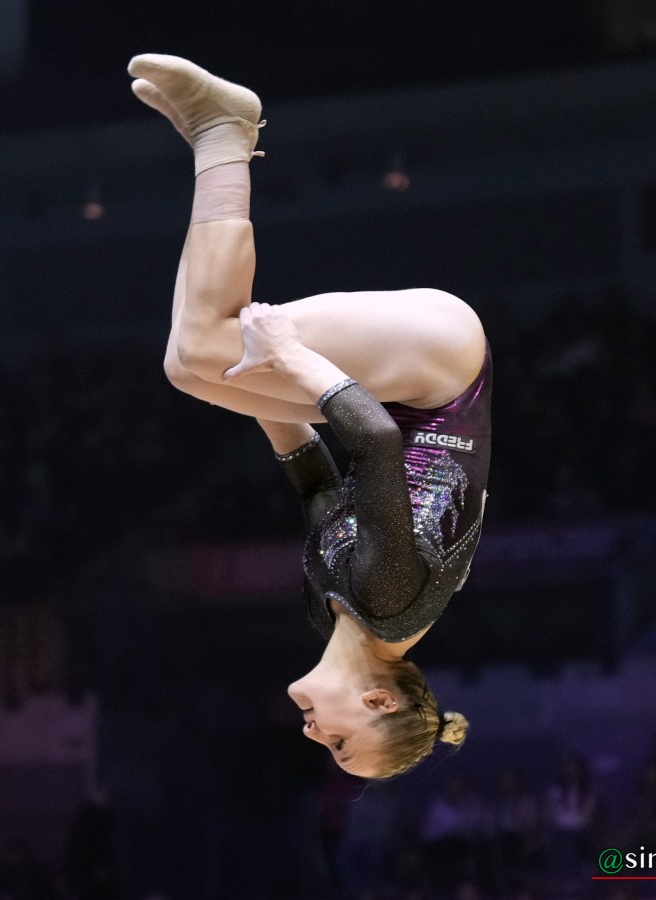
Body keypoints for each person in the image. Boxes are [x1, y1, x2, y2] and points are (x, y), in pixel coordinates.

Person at [130, 54, 488, 780]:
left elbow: (320, 487)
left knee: (187, 365)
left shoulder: (334, 614)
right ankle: (223, 133)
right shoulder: (388, 604)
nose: (315, 735)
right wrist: (287, 359)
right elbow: (375, 443)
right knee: (207, 346)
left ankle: (213, 145)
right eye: (340, 742)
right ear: (379, 701)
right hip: (441, 365)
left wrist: (238, 390)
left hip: (399, 391)